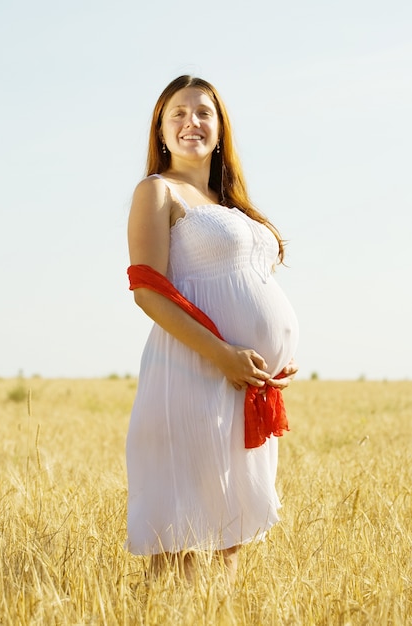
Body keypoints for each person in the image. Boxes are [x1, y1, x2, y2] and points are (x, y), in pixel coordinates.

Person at [126, 75, 299, 586]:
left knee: (228, 529)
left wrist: (271, 352)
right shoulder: (157, 191)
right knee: (182, 526)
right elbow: (147, 290)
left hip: (245, 386)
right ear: (160, 130)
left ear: (220, 129)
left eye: (203, 112)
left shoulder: (230, 205)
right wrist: (223, 354)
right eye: (177, 113)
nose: (190, 122)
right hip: (191, 373)